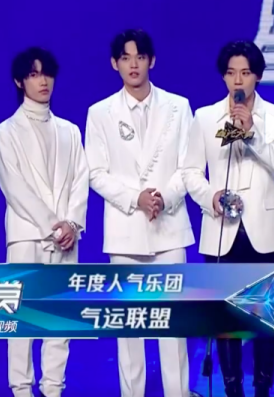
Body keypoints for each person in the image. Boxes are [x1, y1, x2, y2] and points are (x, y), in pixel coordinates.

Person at [183, 40, 274, 397]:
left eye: (245, 72)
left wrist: (251, 133)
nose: (238, 80)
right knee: (227, 320)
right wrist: (210, 196)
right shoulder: (205, 118)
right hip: (222, 229)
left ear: (257, 76)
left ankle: (262, 389)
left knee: (265, 319)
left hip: (266, 231)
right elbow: (190, 172)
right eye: (231, 73)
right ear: (223, 76)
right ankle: (232, 390)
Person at [85, 29, 194, 397]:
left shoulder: (179, 107)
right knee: (129, 329)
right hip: (125, 231)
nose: (133, 64)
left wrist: (163, 197)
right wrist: (137, 199)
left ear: (152, 60)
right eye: (126, 57)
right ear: (114, 63)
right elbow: (95, 173)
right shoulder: (100, 113)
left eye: (140, 57)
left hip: (169, 229)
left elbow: (190, 166)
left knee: (173, 326)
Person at [0, 47, 89, 397]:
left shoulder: (70, 131)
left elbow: (80, 180)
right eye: (33, 75)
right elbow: (14, 188)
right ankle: (20, 390)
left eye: (46, 73)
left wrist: (72, 224)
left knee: (59, 318)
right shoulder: (5, 132)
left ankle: (53, 390)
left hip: (66, 239)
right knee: (21, 317)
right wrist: (53, 225)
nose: (43, 81)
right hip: (26, 236)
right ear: (20, 81)